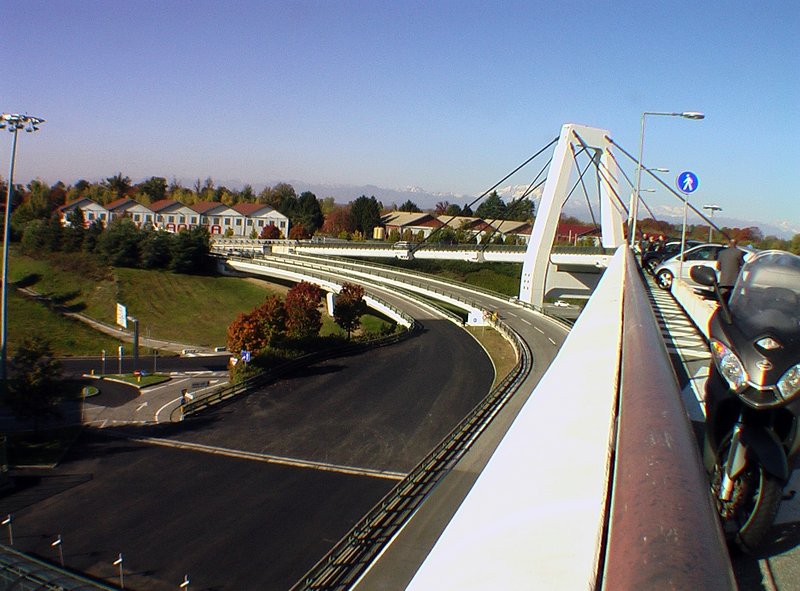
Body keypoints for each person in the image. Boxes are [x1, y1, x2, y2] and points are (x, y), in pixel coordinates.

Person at [716, 238, 745, 303]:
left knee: (722, 299)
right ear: (736, 244)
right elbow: (743, 264)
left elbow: (718, 267)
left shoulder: (721, 253)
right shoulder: (739, 252)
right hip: (734, 281)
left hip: (724, 280)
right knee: (733, 299)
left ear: (728, 244)